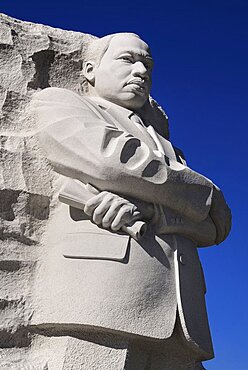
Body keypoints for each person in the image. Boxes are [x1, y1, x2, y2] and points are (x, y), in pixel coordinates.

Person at [30, 33, 231, 369]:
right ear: (91, 70)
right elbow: (113, 161)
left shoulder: (169, 149)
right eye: (128, 59)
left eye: (147, 65)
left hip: (182, 318)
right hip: (100, 298)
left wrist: (153, 210)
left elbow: (217, 225)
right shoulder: (62, 103)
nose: (141, 71)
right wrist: (203, 193)